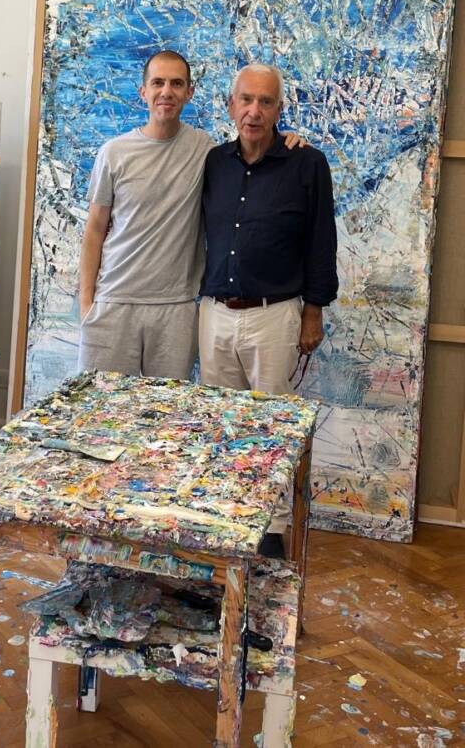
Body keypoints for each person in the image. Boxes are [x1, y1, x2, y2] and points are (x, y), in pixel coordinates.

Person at [77, 51, 305, 379]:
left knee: (169, 409)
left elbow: (253, 149)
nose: (166, 92)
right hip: (113, 302)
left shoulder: (206, 151)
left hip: (176, 309)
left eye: (176, 83)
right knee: (100, 403)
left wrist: (287, 140)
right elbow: (95, 229)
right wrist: (87, 303)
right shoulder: (114, 153)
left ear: (189, 92)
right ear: (143, 91)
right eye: (158, 83)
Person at [199, 62, 338, 556]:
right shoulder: (213, 162)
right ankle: (223, 522)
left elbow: (321, 241)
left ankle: (271, 534)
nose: (254, 111)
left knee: (271, 427)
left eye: (265, 102)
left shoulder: (307, 163)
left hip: (274, 314)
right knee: (222, 424)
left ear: (280, 109)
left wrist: (313, 312)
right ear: (230, 105)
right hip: (215, 313)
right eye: (246, 100)